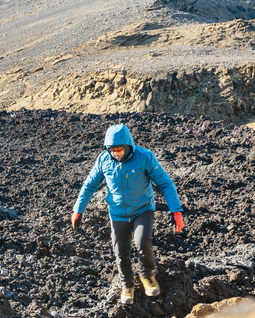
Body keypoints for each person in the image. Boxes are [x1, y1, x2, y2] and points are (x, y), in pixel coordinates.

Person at [71, 123, 184, 304]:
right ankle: (127, 285)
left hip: (142, 209)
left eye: (119, 149)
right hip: (117, 213)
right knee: (121, 251)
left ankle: (147, 276)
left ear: (128, 146)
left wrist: (176, 211)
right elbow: (89, 185)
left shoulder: (145, 157)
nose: (116, 153)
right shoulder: (103, 160)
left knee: (141, 243)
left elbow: (165, 183)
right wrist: (78, 209)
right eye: (112, 150)